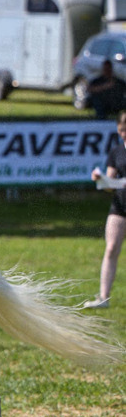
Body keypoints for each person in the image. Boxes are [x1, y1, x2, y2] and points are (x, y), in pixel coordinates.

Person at [84, 110, 126, 308]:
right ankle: (103, 297)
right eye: (121, 130)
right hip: (120, 206)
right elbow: (110, 182)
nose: (124, 133)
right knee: (110, 249)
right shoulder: (116, 151)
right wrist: (100, 179)